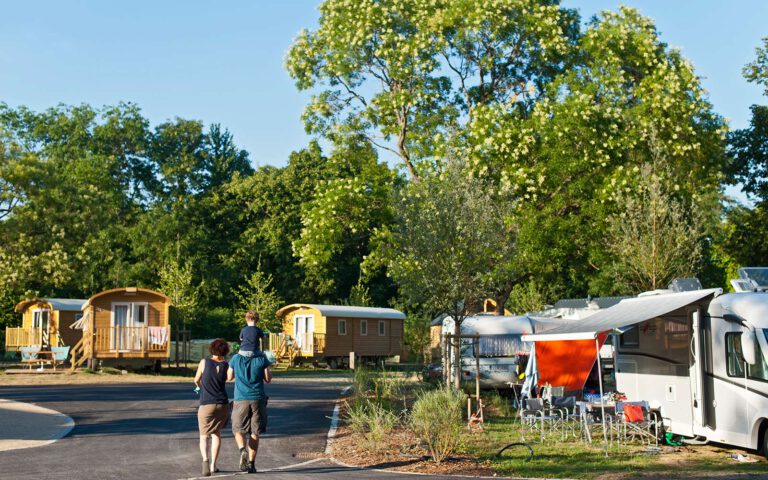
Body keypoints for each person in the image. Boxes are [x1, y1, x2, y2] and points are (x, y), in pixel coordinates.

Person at [228, 351, 272, 473]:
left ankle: (242, 450)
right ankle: (251, 464)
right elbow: (268, 378)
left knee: (238, 429)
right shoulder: (261, 358)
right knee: (255, 432)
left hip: (240, 399)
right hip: (258, 398)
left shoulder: (236, 358)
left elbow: (229, 377)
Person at [193, 339, 232, 477]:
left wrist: (199, 387)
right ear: (225, 351)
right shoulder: (227, 365)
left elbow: (196, 380)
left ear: (212, 349)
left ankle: (205, 460)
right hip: (223, 404)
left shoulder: (204, 362)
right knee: (217, 434)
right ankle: (213, 465)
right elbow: (230, 379)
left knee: (204, 436)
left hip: (206, 404)